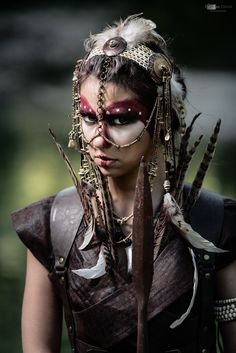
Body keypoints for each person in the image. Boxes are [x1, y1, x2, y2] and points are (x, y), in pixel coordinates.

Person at [11, 14, 236, 353]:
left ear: (162, 119)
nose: (98, 138)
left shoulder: (217, 223)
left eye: (120, 119)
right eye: (88, 117)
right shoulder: (52, 226)